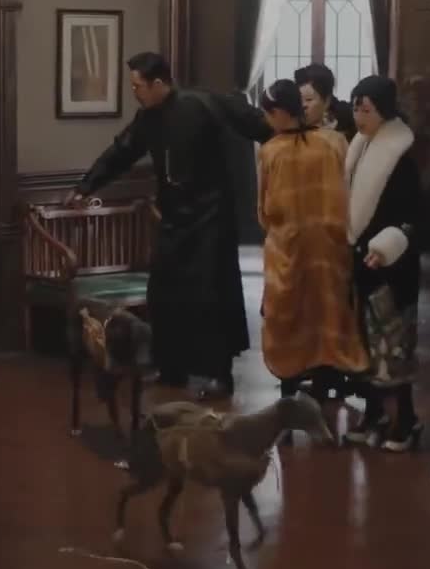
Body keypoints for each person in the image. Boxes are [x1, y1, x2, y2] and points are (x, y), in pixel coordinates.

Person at [64, 52, 273, 398]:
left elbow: (256, 122)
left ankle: (219, 375)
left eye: (138, 87)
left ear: (158, 83)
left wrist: (292, 138)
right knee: (165, 294)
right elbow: (121, 152)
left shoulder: (204, 103)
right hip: (174, 218)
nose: (134, 93)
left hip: (211, 218)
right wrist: (86, 186)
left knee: (210, 297)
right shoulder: (148, 119)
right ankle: (172, 367)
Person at [256, 80, 369, 398]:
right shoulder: (334, 142)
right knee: (328, 310)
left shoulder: (270, 151)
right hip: (331, 245)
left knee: (290, 312)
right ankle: (326, 376)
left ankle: (290, 379)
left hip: (287, 247)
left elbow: (264, 210)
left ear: (280, 113)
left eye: (269, 114)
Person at [341, 75, 423, 452]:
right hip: (361, 261)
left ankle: (406, 418)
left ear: (385, 111)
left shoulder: (402, 155)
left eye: (366, 109)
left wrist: (387, 245)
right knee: (365, 344)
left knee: (394, 344)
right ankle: (373, 412)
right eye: (355, 108)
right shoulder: (360, 144)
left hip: (393, 265)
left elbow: (412, 217)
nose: (359, 116)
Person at [294, 63, 357, 141]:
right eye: (299, 99)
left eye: (309, 99)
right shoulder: (290, 129)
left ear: (327, 101)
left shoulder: (341, 127)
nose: (303, 105)